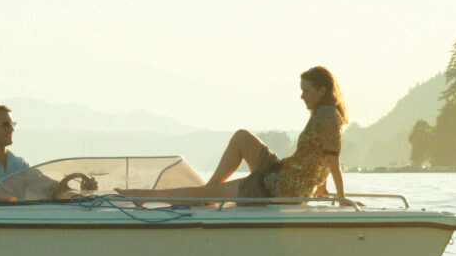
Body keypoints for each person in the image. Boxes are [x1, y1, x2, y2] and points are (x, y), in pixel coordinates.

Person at [124, 67, 349, 203]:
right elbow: (321, 155)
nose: (302, 96)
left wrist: (340, 196)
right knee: (242, 137)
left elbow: (332, 158)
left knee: (209, 194)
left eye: (306, 91)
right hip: (283, 171)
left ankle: (148, 195)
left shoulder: (327, 115)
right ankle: (207, 193)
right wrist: (321, 185)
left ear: (323, 90)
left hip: (282, 185)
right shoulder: (323, 113)